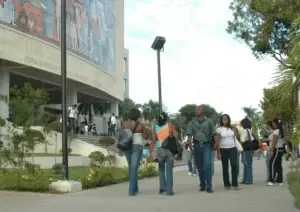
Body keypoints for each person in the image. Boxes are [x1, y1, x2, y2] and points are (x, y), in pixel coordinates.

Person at [186, 105, 217, 193]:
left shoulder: (209, 121)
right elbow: (189, 134)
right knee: (200, 167)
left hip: (207, 145)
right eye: (195, 109)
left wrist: (216, 144)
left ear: (203, 111)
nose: (196, 111)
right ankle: (202, 184)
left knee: (207, 165)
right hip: (196, 145)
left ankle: (209, 186)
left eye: (198, 109)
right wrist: (189, 143)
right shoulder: (192, 122)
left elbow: (213, 133)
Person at [149, 112, 178, 196]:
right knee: (169, 170)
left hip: (160, 150)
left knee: (161, 169)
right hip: (170, 150)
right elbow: (176, 135)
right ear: (166, 119)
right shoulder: (169, 125)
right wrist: (172, 131)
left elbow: (154, 140)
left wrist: (150, 152)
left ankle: (162, 188)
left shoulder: (155, 127)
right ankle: (169, 191)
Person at [122, 108, 148, 196]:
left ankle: (135, 188)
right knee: (134, 168)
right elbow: (145, 136)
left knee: (131, 168)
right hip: (137, 146)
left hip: (127, 147)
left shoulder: (125, 124)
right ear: (137, 116)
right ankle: (131, 191)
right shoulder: (141, 125)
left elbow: (121, 136)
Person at [216, 114, 239, 190]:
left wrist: (236, 130)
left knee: (234, 164)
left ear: (229, 120)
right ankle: (226, 184)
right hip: (223, 149)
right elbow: (218, 141)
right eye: (223, 119)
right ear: (221, 120)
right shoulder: (219, 129)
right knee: (225, 167)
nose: (225, 120)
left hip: (233, 148)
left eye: (226, 119)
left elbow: (236, 136)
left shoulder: (232, 128)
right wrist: (218, 152)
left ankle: (235, 184)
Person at [267, 118, 285, 186]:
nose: (273, 124)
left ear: (276, 124)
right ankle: (280, 181)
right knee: (278, 165)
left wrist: (271, 151)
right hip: (281, 149)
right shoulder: (281, 131)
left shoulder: (276, 131)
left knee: (271, 164)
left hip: (276, 149)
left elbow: (274, 142)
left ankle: (271, 180)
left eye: (273, 123)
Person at [240, 118, 254, 185]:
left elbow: (242, 140)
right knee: (247, 164)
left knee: (247, 165)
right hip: (249, 149)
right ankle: (246, 179)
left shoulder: (245, 130)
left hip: (246, 149)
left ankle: (248, 180)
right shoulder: (249, 130)